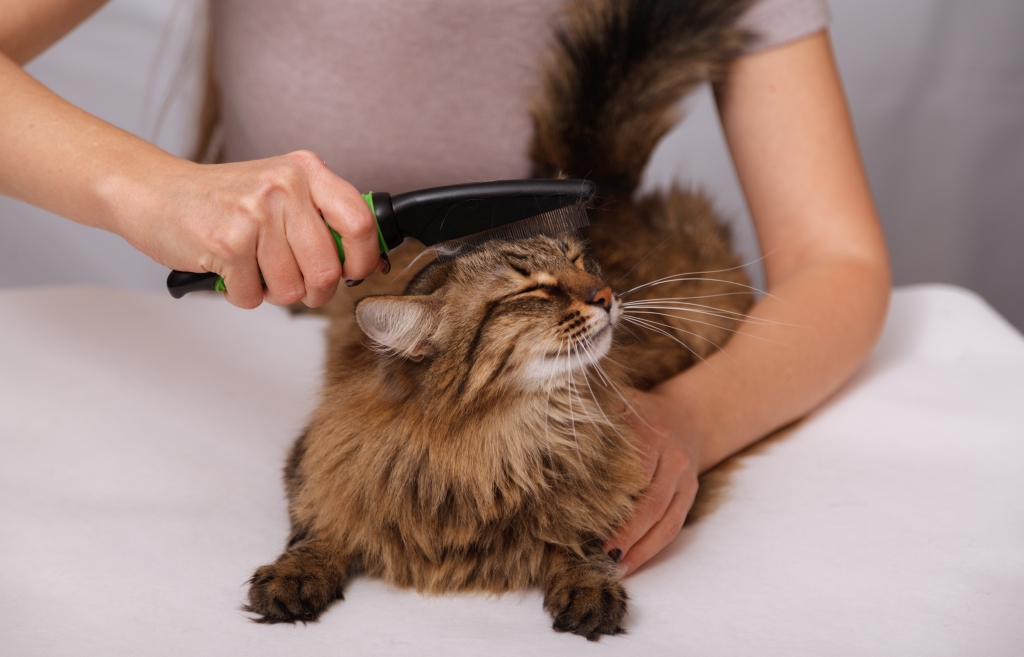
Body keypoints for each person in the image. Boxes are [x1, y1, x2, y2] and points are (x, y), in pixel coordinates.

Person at [0, 0, 890, 577]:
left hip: (549, 353)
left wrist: (695, 417)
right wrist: (148, 186)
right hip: (290, 343)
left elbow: (838, 261)